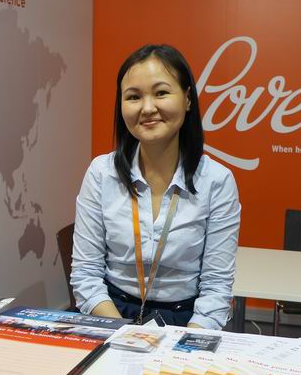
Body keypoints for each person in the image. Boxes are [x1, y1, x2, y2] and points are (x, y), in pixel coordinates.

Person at [70, 44, 241, 329]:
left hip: (186, 321)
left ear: (188, 99)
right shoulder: (101, 173)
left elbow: (216, 288)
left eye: (161, 93)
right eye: (134, 97)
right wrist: (123, 334)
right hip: (110, 313)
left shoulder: (217, 181)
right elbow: (86, 275)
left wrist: (183, 345)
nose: (148, 108)